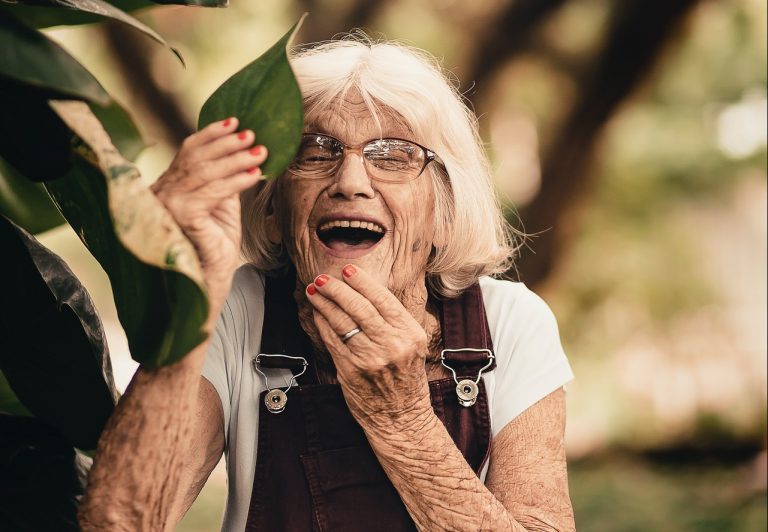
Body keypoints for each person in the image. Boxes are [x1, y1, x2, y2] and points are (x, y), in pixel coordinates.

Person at [79, 36, 576, 532]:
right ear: (273, 210)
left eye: (394, 155)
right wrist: (190, 294)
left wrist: (402, 421)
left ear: (444, 212)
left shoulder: (510, 321)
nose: (350, 181)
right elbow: (117, 523)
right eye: (314, 151)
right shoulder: (234, 309)